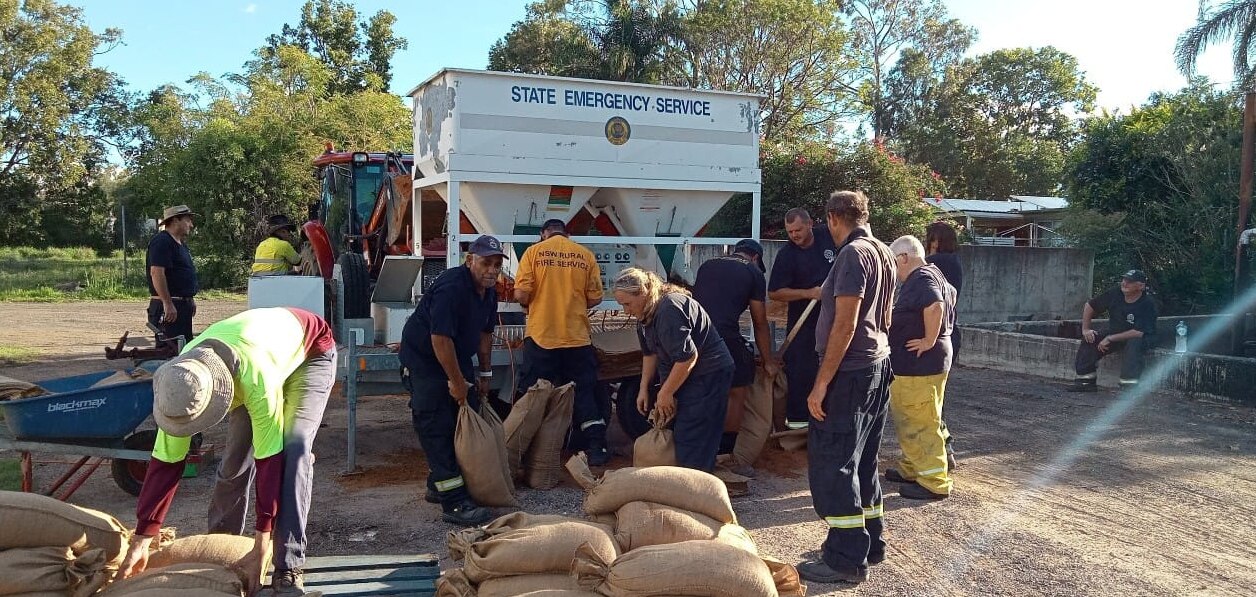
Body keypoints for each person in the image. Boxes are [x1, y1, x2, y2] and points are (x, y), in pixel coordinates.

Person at [118, 307, 336, 597]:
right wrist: (143, 537)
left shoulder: (255, 380)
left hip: (310, 355)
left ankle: (288, 566)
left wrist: (261, 545)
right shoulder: (183, 378)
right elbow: (166, 464)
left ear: (218, 393)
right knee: (234, 461)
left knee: (293, 451)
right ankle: (223, 551)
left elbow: (269, 463)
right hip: (256, 354)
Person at [799, 190, 896, 585]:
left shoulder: (854, 255)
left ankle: (843, 558)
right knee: (863, 460)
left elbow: (846, 323)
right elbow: (886, 314)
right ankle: (870, 544)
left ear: (834, 218)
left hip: (850, 374)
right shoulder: (885, 252)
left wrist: (821, 384)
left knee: (833, 463)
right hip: (876, 365)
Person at [399, 235, 504, 526]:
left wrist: (484, 374)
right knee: (437, 425)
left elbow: (485, 334)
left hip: (454, 357)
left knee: (464, 416)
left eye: (497, 264)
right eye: (486, 263)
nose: (492, 270)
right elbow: (440, 339)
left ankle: (439, 482)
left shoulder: (488, 291)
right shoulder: (451, 287)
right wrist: (456, 381)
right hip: (426, 360)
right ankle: (454, 503)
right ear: (470, 260)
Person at [613, 267, 734, 472]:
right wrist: (644, 388)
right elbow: (649, 354)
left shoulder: (668, 310)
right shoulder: (645, 314)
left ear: (643, 293)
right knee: (682, 429)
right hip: (687, 373)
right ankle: (687, 479)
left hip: (708, 373)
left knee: (693, 434)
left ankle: (695, 487)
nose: (626, 311)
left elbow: (688, 357)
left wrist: (666, 392)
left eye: (627, 304)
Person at [513, 218, 609, 463]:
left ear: (544, 233)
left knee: (533, 394)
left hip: (541, 335)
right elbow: (596, 297)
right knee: (584, 393)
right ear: (566, 233)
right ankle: (595, 448)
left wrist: (532, 302)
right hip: (576, 337)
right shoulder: (584, 255)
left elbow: (522, 293)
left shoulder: (533, 253)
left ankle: (522, 449)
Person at [691, 239, 778, 471]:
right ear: (756, 258)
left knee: (703, 391)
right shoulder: (752, 272)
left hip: (694, 337)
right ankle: (726, 454)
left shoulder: (707, 265)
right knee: (736, 392)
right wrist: (768, 360)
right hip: (724, 338)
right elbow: (759, 322)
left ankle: (699, 448)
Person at [884, 235, 956, 500]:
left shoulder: (922, 279)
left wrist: (928, 339)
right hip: (924, 364)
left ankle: (933, 480)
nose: (893, 269)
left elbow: (935, 306)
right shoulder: (935, 274)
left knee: (921, 421)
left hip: (919, 365)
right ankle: (913, 467)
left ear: (903, 258)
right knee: (913, 418)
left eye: (894, 263)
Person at [768, 208, 838, 432]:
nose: (794, 235)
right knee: (800, 371)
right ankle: (798, 428)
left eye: (798, 229)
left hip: (836, 319)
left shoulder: (829, 237)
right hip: (804, 324)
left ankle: (829, 420)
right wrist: (809, 293)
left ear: (810, 224)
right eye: (790, 231)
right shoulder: (787, 255)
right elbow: (775, 292)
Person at [1068, 269, 1158, 391]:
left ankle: (1128, 386)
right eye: (1124, 280)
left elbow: (1138, 332)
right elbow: (1090, 305)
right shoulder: (1115, 293)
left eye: (1130, 281)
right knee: (1091, 338)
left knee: (1134, 343)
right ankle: (1086, 381)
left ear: (1141, 286)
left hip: (1140, 337)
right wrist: (1086, 329)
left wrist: (1110, 338)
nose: (1124, 283)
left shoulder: (1148, 304)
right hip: (1116, 333)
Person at [924, 221, 962, 469]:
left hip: (935, 337)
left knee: (928, 399)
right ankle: (945, 450)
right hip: (949, 335)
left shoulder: (937, 263)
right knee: (937, 398)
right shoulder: (954, 262)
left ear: (936, 240)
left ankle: (941, 453)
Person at [146, 205, 199, 346]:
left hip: (181, 306)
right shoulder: (162, 242)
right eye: (188, 220)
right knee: (170, 352)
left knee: (183, 349)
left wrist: (189, 299)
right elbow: (157, 273)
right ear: (176, 220)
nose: (191, 225)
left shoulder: (181, 244)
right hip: (170, 308)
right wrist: (167, 303)